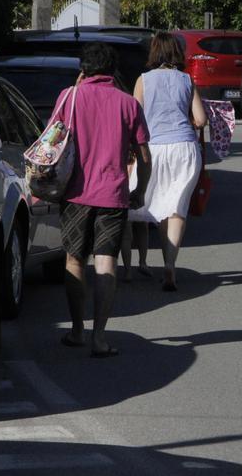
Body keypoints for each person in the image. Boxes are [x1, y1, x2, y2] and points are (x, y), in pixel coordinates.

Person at [52, 42, 152, 358]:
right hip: (113, 193)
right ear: (113, 70)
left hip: (74, 193)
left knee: (74, 259)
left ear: (84, 70)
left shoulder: (69, 97)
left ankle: (77, 330)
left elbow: (51, 142)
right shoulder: (128, 104)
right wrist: (141, 190)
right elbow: (144, 156)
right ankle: (99, 338)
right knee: (106, 261)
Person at [129, 31, 207, 291]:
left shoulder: (143, 80)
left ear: (155, 51)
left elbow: (133, 116)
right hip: (185, 148)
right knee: (176, 207)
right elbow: (201, 119)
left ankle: (139, 263)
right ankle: (170, 265)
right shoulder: (186, 80)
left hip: (154, 148)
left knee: (157, 205)